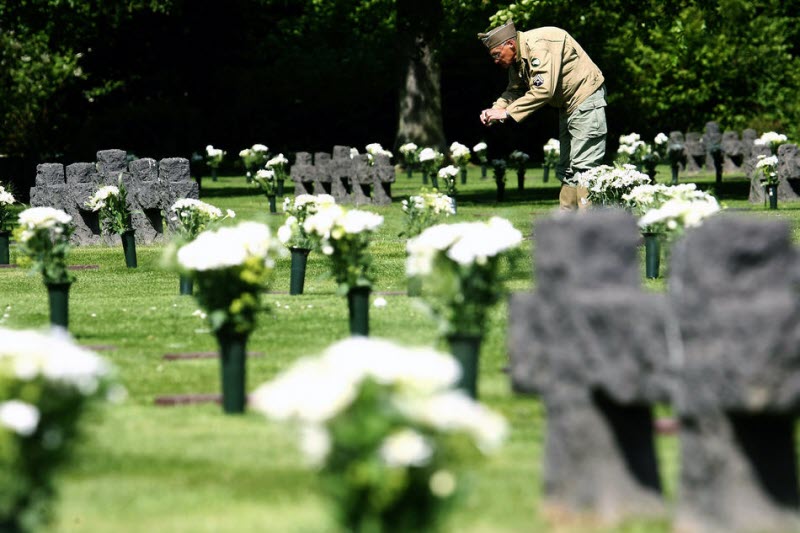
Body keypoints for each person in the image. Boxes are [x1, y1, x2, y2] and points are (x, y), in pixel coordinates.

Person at [478, 20, 607, 210]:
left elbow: (543, 90)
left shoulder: (538, 46)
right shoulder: (518, 59)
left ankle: (587, 229)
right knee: (568, 168)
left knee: (585, 167)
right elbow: (514, 90)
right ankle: (567, 226)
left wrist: (506, 113)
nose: (496, 61)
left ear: (510, 45)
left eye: (497, 55)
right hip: (568, 106)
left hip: (586, 98)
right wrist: (495, 109)